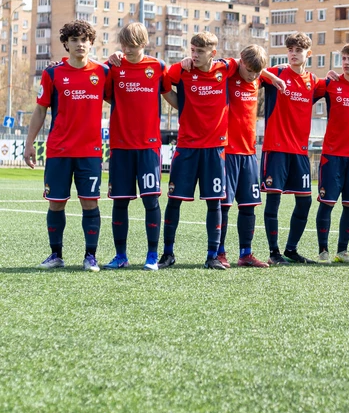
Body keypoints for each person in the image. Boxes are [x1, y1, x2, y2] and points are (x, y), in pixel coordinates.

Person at [24, 21, 109, 271]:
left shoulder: (104, 72)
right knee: (56, 203)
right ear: (66, 44)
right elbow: (40, 110)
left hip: (90, 152)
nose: (80, 44)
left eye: (84, 40)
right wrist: (29, 143)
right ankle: (56, 255)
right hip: (59, 151)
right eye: (74, 40)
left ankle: (90, 256)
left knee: (90, 203)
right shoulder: (52, 74)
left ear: (91, 43)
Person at [157, 32, 237, 270]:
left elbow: (249, 63)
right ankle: (167, 254)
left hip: (215, 149)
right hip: (187, 147)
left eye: (200, 51)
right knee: (174, 201)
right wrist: (182, 104)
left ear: (213, 53)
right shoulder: (181, 70)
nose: (194, 55)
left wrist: (273, 74)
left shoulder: (225, 68)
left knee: (214, 203)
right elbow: (163, 85)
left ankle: (212, 256)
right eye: (192, 50)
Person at [104, 23, 175, 271]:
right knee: (120, 202)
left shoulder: (158, 67)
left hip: (148, 147)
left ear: (144, 44)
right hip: (121, 146)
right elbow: (106, 94)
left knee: (151, 201)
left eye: (133, 46)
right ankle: (120, 256)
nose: (127, 50)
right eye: (124, 45)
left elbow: (170, 95)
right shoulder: (114, 67)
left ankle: (152, 256)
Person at [217, 44, 284, 269]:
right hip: (227, 151)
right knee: (224, 206)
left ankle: (245, 254)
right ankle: (219, 252)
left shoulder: (257, 76)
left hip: (249, 153)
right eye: (249, 71)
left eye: (257, 72)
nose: (253, 76)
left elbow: (259, 71)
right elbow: (216, 64)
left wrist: (270, 76)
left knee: (249, 205)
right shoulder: (229, 71)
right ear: (241, 62)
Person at [260, 32, 318, 265]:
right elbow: (250, 67)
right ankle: (274, 253)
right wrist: (271, 74)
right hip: (276, 148)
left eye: (298, 50)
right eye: (290, 50)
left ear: (308, 54)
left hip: (300, 151)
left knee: (304, 202)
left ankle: (291, 250)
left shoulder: (313, 81)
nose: (293, 54)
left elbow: (336, 86)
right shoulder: (277, 73)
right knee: (273, 200)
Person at [313, 43, 349, 263]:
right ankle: (323, 251)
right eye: (343, 58)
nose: (346, 62)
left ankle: (342, 251)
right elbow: (307, 89)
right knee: (327, 202)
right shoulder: (330, 84)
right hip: (332, 155)